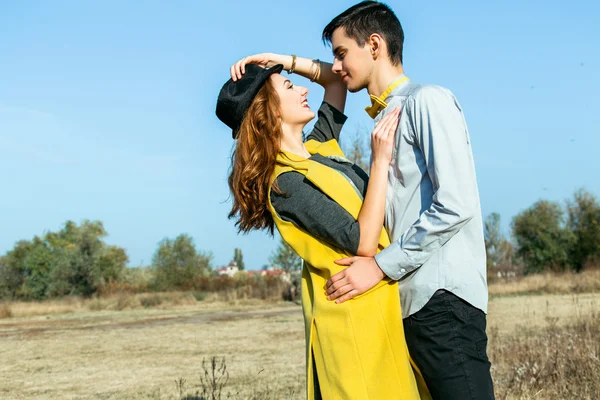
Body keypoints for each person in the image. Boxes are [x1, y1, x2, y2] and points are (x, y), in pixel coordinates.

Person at [216, 53, 430, 399]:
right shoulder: (285, 185)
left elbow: (333, 80)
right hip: (353, 323)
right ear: (270, 111)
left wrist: (283, 61)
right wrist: (380, 160)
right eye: (288, 86)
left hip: (380, 304)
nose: (302, 89)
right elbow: (361, 240)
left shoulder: (319, 148)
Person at [321, 2, 495, 399]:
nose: (335, 66)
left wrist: (380, 267)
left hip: (443, 303)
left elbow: (456, 203)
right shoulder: (386, 118)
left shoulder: (426, 100)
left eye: (341, 53)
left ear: (375, 45)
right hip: (408, 305)